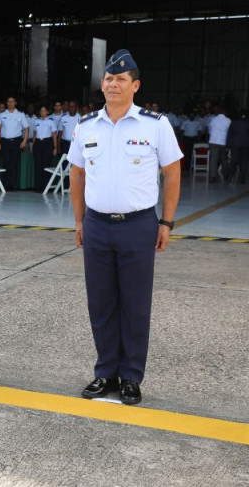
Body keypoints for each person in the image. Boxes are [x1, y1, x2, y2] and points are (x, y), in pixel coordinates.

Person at [68, 49, 182, 405]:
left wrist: (166, 221)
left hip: (137, 226)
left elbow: (172, 171)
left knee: (134, 304)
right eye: (108, 79)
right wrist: (79, 220)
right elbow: (77, 174)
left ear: (135, 85)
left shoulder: (154, 124)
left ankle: (131, 377)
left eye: (121, 79)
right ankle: (105, 372)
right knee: (100, 303)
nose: (113, 84)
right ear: (102, 84)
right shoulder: (86, 126)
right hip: (98, 224)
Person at [0, 96, 29, 190]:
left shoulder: (20, 114)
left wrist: (24, 141)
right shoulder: (2, 114)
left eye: (12, 101)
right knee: (6, 163)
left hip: (16, 141)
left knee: (15, 163)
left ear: (15, 103)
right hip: (5, 141)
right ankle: (6, 185)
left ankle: (14, 185)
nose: (10, 103)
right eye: (8, 101)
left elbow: (26, 128)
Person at [31, 105, 58, 192]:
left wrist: (55, 147)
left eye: (44, 111)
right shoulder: (36, 121)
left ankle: (46, 187)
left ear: (47, 112)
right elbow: (34, 133)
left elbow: (54, 135)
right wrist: (33, 145)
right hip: (38, 143)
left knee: (46, 164)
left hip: (47, 143)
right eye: (41, 111)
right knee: (38, 165)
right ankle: (38, 187)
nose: (42, 112)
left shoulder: (51, 122)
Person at [227, 111, 249, 184]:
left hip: (235, 144)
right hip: (245, 145)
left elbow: (229, 134)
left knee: (234, 160)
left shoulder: (233, 123)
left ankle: (231, 175)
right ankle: (242, 178)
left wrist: (228, 144)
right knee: (244, 161)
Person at [207, 106, 231, 182]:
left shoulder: (213, 119)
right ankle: (226, 175)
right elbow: (230, 132)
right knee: (224, 159)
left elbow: (209, 129)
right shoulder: (228, 120)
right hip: (223, 142)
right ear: (226, 113)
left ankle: (212, 177)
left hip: (213, 141)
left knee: (213, 159)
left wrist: (212, 135)